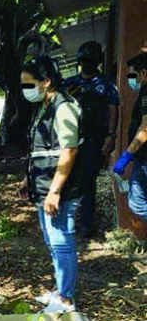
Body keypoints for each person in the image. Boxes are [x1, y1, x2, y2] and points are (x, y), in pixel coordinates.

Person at [18, 56, 85, 314]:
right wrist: (28, 178)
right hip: (42, 186)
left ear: (46, 82)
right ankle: (60, 289)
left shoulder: (64, 107)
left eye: (28, 84)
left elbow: (68, 151)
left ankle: (66, 299)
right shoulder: (46, 106)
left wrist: (55, 191)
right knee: (51, 241)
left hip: (59, 190)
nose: (25, 90)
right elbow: (43, 149)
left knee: (61, 242)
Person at [63, 41, 120, 238]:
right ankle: (69, 220)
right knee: (68, 180)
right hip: (70, 140)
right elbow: (57, 109)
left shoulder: (106, 84)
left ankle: (87, 223)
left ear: (97, 62)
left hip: (93, 140)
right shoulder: (70, 84)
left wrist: (111, 136)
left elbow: (113, 110)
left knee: (87, 182)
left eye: (90, 60)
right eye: (84, 60)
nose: (86, 64)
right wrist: (68, 97)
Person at [113, 51, 147, 224]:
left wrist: (127, 155)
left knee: (138, 202)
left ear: (143, 73)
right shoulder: (143, 93)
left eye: (133, 74)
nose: (130, 79)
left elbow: (146, 127)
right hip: (142, 159)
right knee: (136, 202)